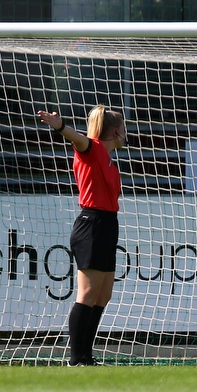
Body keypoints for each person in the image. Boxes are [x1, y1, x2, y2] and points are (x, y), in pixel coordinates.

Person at [37, 105, 127, 366]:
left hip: (107, 224)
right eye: (123, 128)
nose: (125, 133)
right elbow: (79, 140)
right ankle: (77, 359)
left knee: (103, 294)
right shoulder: (93, 148)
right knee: (86, 295)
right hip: (92, 224)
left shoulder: (109, 158)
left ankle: (86, 356)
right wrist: (60, 126)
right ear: (114, 131)